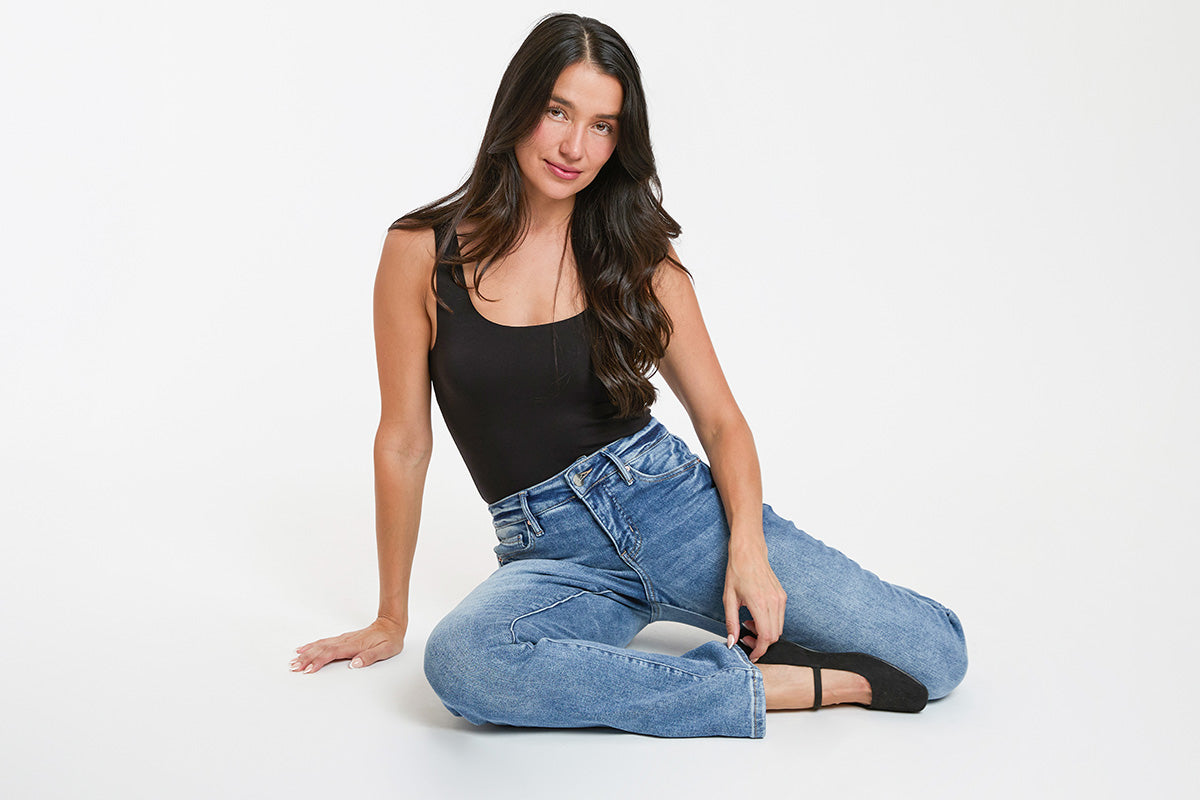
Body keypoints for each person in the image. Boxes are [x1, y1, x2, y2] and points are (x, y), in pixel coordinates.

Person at [290, 12, 967, 738]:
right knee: (465, 664)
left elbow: (721, 423)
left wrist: (748, 551)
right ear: (518, 106)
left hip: (674, 510)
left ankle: (747, 650)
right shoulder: (421, 251)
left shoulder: (639, 256)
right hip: (552, 554)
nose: (574, 147)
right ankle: (785, 685)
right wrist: (391, 616)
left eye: (603, 126)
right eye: (558, 112)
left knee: (936, 657)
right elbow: (403, 442)